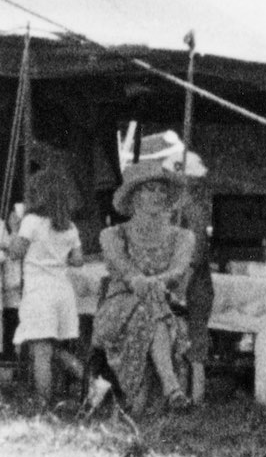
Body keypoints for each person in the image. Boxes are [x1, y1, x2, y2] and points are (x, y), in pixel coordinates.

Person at [92, 149, 201, 424]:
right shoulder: (112, 234)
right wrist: (143, 283)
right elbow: (126, 272)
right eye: (149, 189)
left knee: (149, 311)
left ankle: (158, 395)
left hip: (161, 308)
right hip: (118, 309)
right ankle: (171, 388)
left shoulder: (183, 236)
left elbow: (178, 270)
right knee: (149, 307)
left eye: (161, 189)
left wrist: (153, 283)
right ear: (134, 197)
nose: (157, 195)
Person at [12, 150, 90, 409]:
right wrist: (56, 258)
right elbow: (78, 260)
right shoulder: (70, 227)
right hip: (62, 291)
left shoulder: (31, 222)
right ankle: (93, 383)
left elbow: (16, 252)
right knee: (51, 349)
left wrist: (14, 229)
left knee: (41, 353)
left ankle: (43, 405)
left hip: (39, 292)